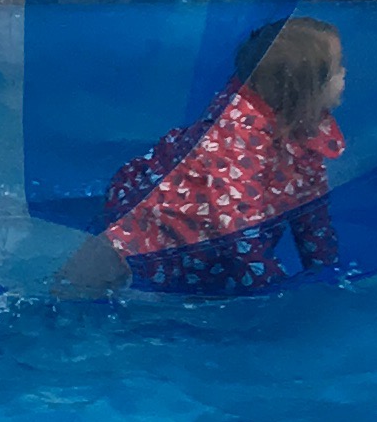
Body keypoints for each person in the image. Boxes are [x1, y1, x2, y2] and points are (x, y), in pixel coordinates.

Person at [59, 17, 346, 298]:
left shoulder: (305, 131)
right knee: (85, 289)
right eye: (337, 69)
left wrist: (326, 273)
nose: (345, 73)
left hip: (205, 249)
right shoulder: (233, 137)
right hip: (147, 237)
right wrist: (273, 289)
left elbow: (311, 213)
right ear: (304, 87)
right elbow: (237, 228)